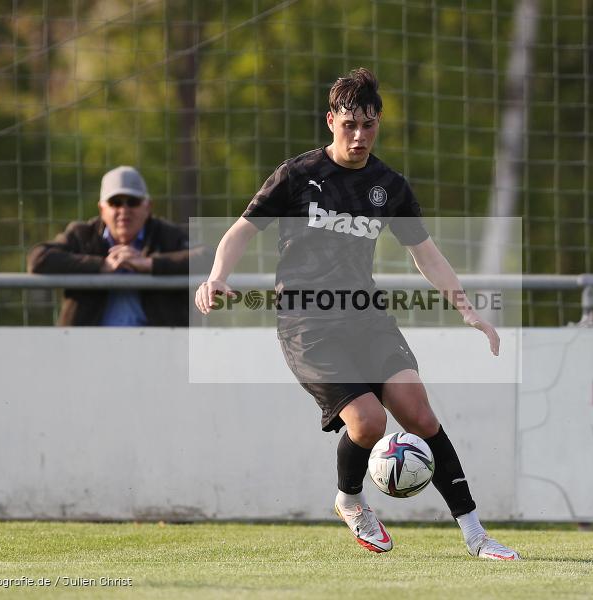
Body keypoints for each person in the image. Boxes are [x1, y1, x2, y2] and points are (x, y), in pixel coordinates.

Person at [195, 68, 519, 560]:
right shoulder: (297, 175)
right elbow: (241, 230)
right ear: (331, 121)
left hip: (367, 319)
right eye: (349, 125)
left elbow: (426, 255)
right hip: (308, 325)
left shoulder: (389, 186)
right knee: (369, 423)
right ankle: (350, 500)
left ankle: (476, 535)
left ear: (378, 123)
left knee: (419, 414)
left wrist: (468, 310)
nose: (359, 136)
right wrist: (217, 275)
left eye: (368, 125)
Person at [29, 165, 211, 326]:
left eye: (133, 202)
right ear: (102, 209)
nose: (124, 210)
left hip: (160, 344)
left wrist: (150, 264)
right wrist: (100, 265)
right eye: (115, 202)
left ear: (148, 207)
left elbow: (208, 257)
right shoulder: (82, 235)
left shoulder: (167, 235)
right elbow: (38, 258)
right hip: (87, 345)